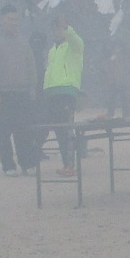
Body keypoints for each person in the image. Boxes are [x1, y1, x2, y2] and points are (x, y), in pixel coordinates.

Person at [0, 6, 40, 176]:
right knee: (3, 132)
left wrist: (32, 86)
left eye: (16, 20)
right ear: (2, 19)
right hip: (2, 94)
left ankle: (27, 162)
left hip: (22, 93)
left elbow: (31, 65)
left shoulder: (23, 41)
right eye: (10, 19)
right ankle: (8, 165)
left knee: (24, 131)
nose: (14, 23)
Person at [41, 15, 84, 176]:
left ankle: (70, 164)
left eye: (59, 29)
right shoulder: (52, 50)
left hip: (67, 91)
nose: (56, 32)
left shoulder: (74, 46)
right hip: (52, 92)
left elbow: (75, 39)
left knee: (66, 128)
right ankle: (66, 163)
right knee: (58, 129)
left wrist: (66, 27)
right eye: (54, 29)